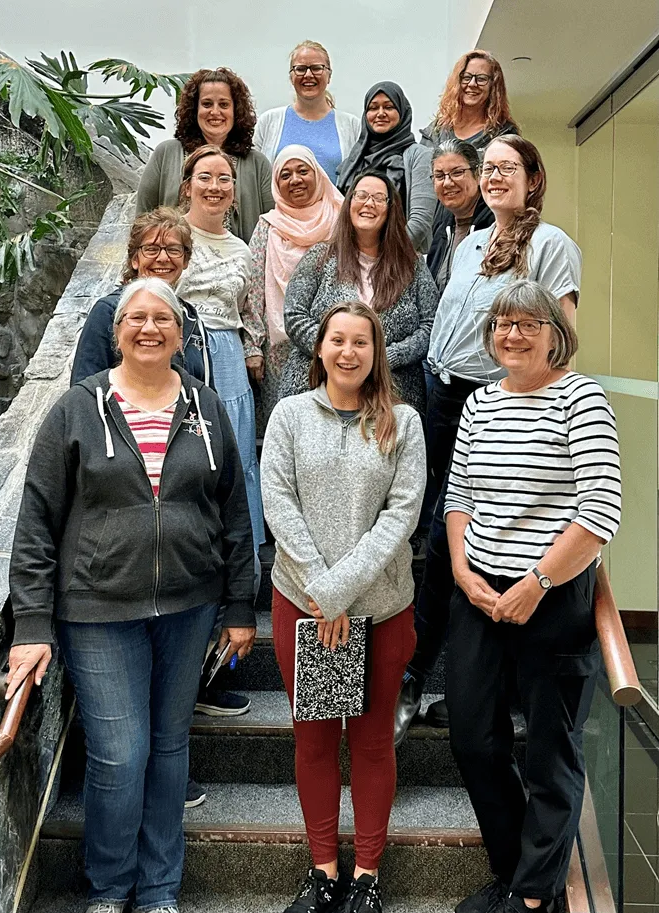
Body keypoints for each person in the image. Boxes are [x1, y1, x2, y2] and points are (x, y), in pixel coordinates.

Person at [6, 277, 256, 913]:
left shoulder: (204, 406)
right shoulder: (77, 408)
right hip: (98, 609)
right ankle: (110, 888)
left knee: (170, 749)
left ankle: (160, 889)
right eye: (136, 318)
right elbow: (36, 520)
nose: (149, 328)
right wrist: (31, 624)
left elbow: (233, 511)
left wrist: (238, 604)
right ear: (116, 332)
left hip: (190, 606)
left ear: (181, 334)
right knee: (120, 755)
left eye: (163, 319)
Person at [394, 135, 583, 743]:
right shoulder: (471, 242)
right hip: (440, 395)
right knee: (428, 530)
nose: (496, 176)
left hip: (488, 402)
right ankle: (437, 684)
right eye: (490, 167)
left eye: (507, 168)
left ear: (533, 178)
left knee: (447, 537)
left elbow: (559, 340)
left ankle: (425, 680)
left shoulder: (547, 245)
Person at [445, 279, 621, 913]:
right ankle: (516, 868)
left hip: (553, 596)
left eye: (527, 324)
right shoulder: (480, 402)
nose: (512, 334)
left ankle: (531, 894)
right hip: (479, 595)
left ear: (555, 335)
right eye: (502, 324)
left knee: (552, 748)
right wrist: (462, 572)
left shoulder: (581, 398)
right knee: (472, 738)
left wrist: (537, 583)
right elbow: (458, 497)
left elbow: (600, 509)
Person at [261, 301, 426, 913]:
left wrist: (339, 594)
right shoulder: (289, 416)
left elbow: (401, 517)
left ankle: (368, 875)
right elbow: (278, 505)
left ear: (377, 353)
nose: (349, 352)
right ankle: (325, 870)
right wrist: (322, 594)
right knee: (316, 743)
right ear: (320, 348)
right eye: (338, 340)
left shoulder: (402, 423)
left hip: (380, 611)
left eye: (362, 342)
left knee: (373, 743)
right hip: (304, 608)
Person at [280, 170, 438, 414]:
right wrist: (334, 352)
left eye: (378, 198)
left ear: (391, 208)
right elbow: (294, 315)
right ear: (349, 203)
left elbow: (430, 325)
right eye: (361, 195)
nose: (368, 203)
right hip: (317, 386)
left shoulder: (412, 264)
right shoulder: (320, 257)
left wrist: (388, 356)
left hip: (392, 391)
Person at [175, 144, 265, 554]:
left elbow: (249, 309)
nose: (215, 186)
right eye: (205, 178)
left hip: (227, 353)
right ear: (187, 186)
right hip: (179, 349)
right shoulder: (171, 236)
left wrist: (253, 349)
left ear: (234, 190)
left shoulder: (242, 249)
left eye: (224, 178)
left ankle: (243, 556)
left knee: (236, 454)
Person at [244, 144, 343, 431]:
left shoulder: (340, 220)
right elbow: (253, 290)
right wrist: (252, 346)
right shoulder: (268, 226)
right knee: (284, 428)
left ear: (318, 174)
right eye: (285, 175)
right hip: (279, 350)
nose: (295, 180)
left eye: (303, 171)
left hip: (334, 344)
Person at [71, 207, 212, 389]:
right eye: (151, 249)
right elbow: (84, 390)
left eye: (173, 249)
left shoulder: (190, 318)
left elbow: (207, 390)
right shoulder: (108, 311)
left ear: (185, 260)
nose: (163, 258)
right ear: (135, 260)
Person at [136, 67, 273, 243]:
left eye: (224, 104)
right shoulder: (165, 154)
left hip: (239, 258)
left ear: (236, 110)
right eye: (207, 104)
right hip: (173, 257)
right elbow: (142, 220)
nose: (215, 112)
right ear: (194, 109)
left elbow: (272, 227)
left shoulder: (258, 164)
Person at [336, 82, 435, 252]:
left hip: (402, 257)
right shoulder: (356, 159)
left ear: (402, 112)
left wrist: (384, 257)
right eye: (373, 108)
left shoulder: (418, 155)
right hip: (353, 258)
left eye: (389, 107)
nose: (380, 113)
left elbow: (420, 220)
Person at [254, 40, 360, 184]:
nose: (308, 75)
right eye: (301, 69)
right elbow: (255, 176)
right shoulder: (268, 122)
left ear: (329, 75)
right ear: (291, 76)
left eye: (317, 68)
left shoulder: (352, 126)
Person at [427, 139, 494, 295]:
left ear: (478, 175)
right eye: (439, 176)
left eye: (457, 173)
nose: (447, 183)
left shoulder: (495, 226)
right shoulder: (441, 229)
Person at [420, 50, 519, 154]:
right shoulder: (435, 132)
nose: (472, 84)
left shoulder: (505, 135)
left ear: (493, 86)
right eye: (466, 77)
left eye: (481, 79)